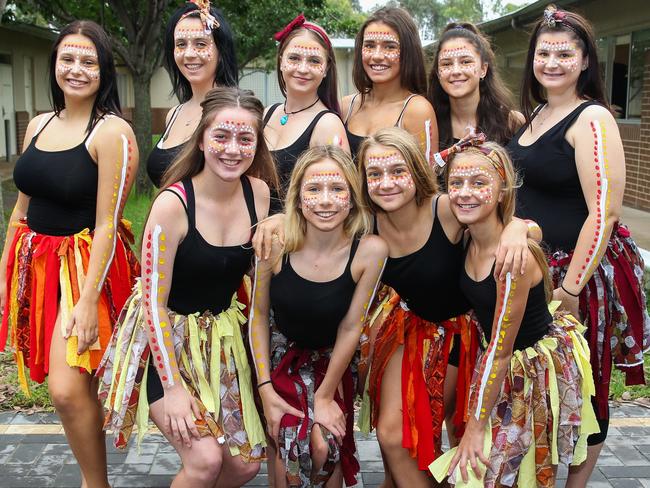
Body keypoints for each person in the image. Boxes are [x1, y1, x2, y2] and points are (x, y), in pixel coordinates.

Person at [98, 87, 277, 487]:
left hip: (223, 343)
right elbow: (152, 304)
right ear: (201, 140)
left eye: (245, 139)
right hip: (166, 345)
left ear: (257, 145)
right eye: (221, 136)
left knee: (245, 466)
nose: (233, 149)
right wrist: (175, 389)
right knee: (203, 461)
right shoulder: (171, 206)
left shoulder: (261, 196)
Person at [506, 5, 650, 485]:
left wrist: (569, 288)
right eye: (544, 52)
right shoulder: (538, 114)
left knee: (585, 386)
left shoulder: (592, 120)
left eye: (564, 53)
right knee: (545, 385)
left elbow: (605, 211)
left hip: (575, 275)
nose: (552, 61)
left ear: (585, 60)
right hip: (534, 270)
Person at [356, 128, 537, 486]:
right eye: (374, 175)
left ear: (416, 173)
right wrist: (275, 221)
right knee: (393, 434)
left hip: (462, 334)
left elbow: (504, 219)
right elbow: (312, 220)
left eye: (397, 172)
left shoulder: (446, 209)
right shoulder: (363, 222)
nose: (386, 183)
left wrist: (520, 229)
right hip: (407, 327)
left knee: (457, 429)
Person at [0, 20, 139, 488]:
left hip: (83, 269)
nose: (77, 69)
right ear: (54, 65)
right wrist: (6, 276)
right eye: (67, 59)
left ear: (104, 71)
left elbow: (106, 223)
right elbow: (22, 208)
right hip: (35, 265)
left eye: (89, 61)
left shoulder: (112, 132)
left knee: (65, 388)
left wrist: (85, 301)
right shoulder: (39, 124)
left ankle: (94, 483)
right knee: (67, 387)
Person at [430, 140, 598, 488]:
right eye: (456, 183)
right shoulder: (466, 234)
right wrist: (521, 225)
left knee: (498, 469)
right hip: (494, 361)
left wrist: (475, 428)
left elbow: (502, 350)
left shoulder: (511, 262)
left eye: (479, 183)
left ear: (503, 189)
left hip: (527, 368)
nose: (465, 193)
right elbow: (530, 226)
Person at [250, 145, 387, 487]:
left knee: (324, 448)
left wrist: (325, 397)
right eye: (314, 189)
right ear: (296, 198)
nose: (325, 200)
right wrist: (265, 389)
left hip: (332, 364)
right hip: (280, 362)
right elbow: (258, 314)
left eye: (337, 189)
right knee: (291, 450)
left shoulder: (369, 251)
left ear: (353, 198)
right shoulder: (276, 243)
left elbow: (351, 326)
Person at [146, 0, 238, 187]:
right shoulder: (173, 114)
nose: (189, 53)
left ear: (221, 51)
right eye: (180, 44)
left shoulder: (235, 112)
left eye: (200, 44)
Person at [264, 15, 349, 212]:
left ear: (326, 68)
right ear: (281, 61)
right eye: (294, 58)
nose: (303, 69)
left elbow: (337, 200)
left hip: (296, 238)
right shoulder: (266, 114)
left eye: (314, 61)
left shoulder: (328, 125)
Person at [342, 7, 437, 161]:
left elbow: (427, 179)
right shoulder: (346, 107)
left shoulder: (418, 110)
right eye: (369, 45)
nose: (377, 55)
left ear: (408, 52)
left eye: (390, 46)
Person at [427, 22, 523, 151]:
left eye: (466, 62)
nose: (456, 71)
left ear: (483, 69)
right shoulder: (428, 124)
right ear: (438, 73)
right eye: (446, 64)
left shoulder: (512, 122)